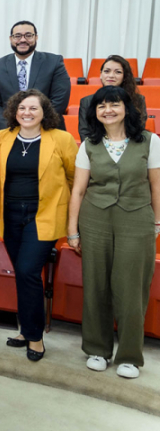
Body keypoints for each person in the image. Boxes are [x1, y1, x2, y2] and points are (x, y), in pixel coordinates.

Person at [68, 85, 160, 379]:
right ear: (94, 112)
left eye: (114, 104)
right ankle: (97, 349)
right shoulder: (89, 144)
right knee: (96, 284)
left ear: (127, 108)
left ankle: (130, 356)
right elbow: (78, 190)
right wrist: (73, 230)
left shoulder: (150, 141)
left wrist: (157, 223)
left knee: (132, 288)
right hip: (95, 219)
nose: (108, 110)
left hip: (137, 219)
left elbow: (156, 185)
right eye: (101, 106)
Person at [0, 89, 76, 361]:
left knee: (28, 270)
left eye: (33, 108)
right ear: (14, 111)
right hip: (10, 215)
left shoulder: (61, 139)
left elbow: (75, 179)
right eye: (22, 108)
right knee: (22, 272)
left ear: (44, 112)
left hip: (44, 215)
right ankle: (26, 330)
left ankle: (35, 336)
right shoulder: (1, 138)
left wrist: (74, 219)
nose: (26, 113)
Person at [0, 21, 71, 131]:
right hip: (9, 130)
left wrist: (34, 126)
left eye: (28, 35)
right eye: (17, 36)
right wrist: (13, 127)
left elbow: (60, 100)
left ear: (36, 37)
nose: (23, 40)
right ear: (11, 39)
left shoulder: (54, 62)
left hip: (47, 128)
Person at [77, 55, 146, 140]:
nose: (111, 75)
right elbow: (85, 132)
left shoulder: (138, 99)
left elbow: (139, 128)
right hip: (96, 145)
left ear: (125, 76)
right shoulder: (87, 101)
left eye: (118, 72)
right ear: (101, 75)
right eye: (107, 71)